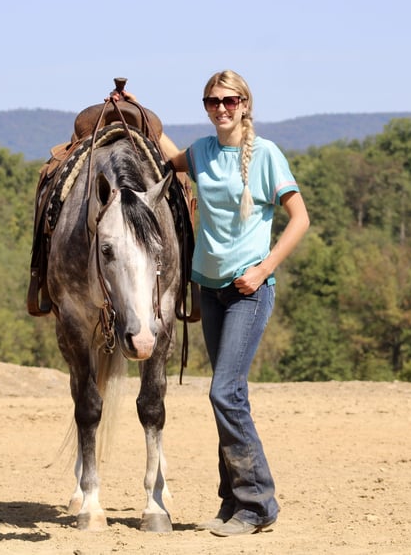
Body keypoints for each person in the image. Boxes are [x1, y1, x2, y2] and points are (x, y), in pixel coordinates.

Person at [124, 70, 310, 537]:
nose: (220, 108)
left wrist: (263, 269)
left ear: (245, 104)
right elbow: (168, 152)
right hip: (209, 289)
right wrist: (136, 107)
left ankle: (258, 504)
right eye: (212, 101)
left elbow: (300, 219)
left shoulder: (266, 155)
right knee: (230, 395)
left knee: (224, 392)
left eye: (229, 100)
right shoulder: (203, 152)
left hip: (250, 290)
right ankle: (231, 503)